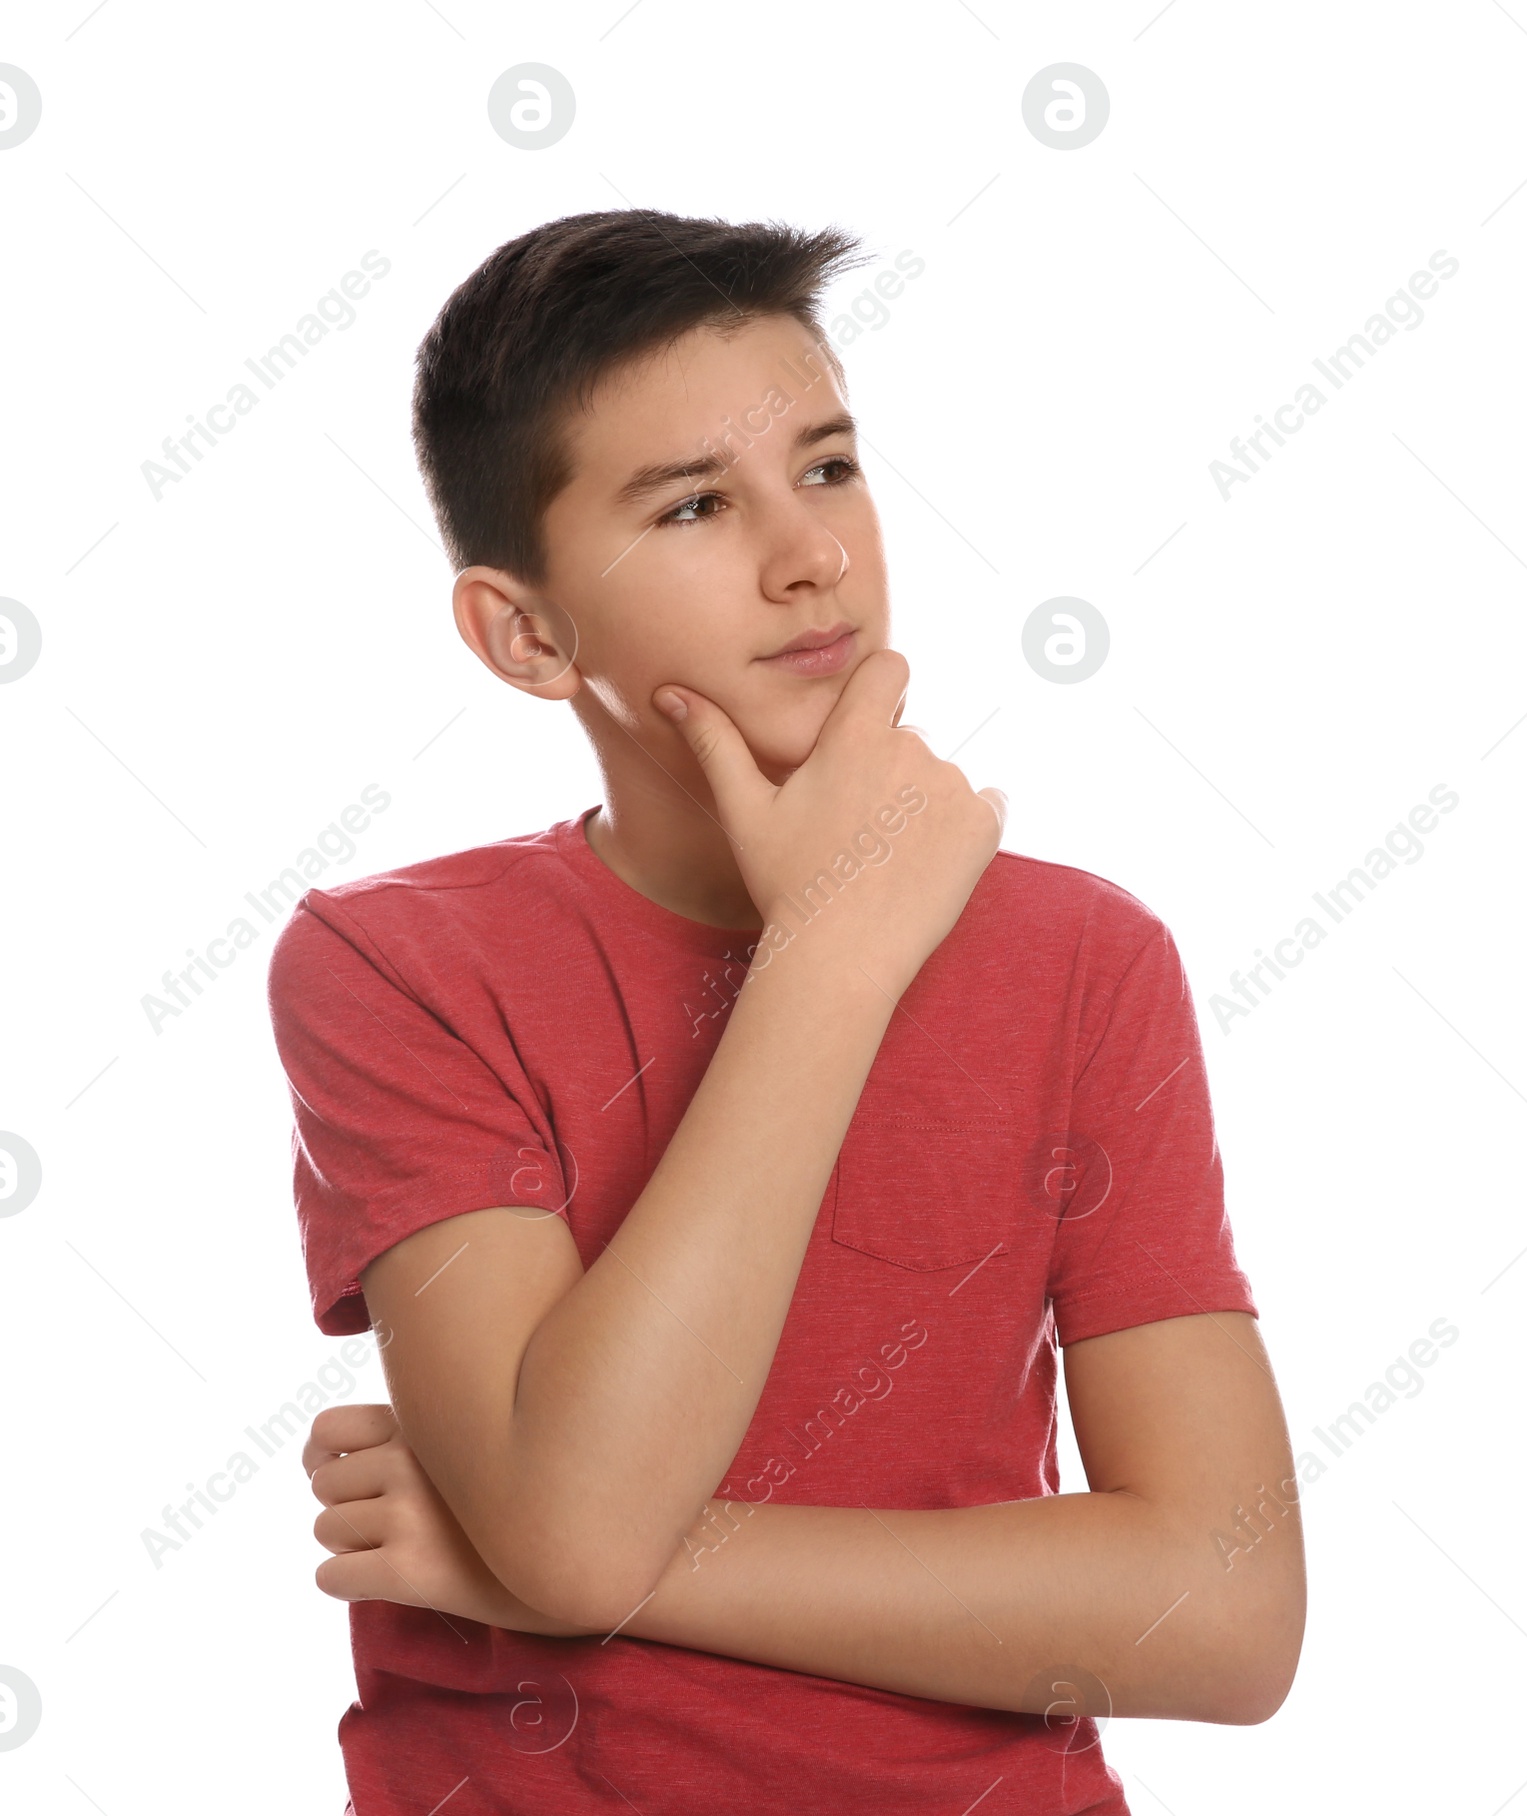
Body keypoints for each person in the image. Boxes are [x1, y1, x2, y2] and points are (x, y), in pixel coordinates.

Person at [266, 208, 1305, 1816]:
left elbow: (1227, 1616)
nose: (810, 553)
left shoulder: (1086, 961)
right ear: (527, 634)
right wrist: (830, 952)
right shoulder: (398, 965)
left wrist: (542, 1561)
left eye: (826, 467)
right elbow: (580, 1522)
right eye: (694, 504)